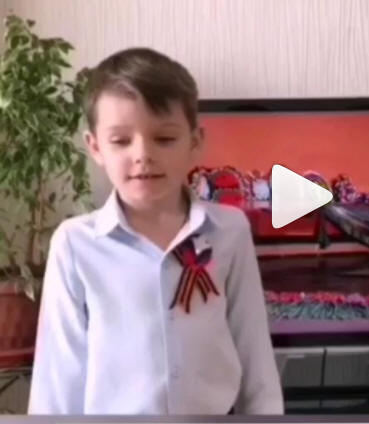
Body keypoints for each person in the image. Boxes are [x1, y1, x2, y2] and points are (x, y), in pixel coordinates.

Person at [28, 48, 284, 415]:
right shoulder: (75, 244)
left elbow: (255, 357)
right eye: (121, 141)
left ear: (195, 142)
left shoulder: (230, 230)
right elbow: (57, 381)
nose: (143, 154)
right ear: (95, 147)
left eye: (164, 139)